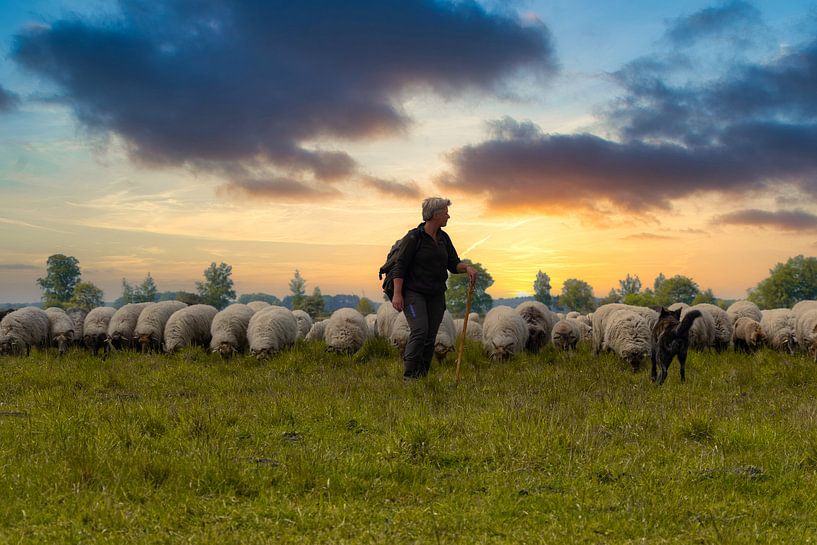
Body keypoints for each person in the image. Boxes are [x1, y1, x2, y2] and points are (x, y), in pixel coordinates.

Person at [392, 197, 477, 380]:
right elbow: (400, 266)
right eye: (446, 212)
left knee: (430, 336)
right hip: (413, 294)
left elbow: (453, 263)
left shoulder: (443, 238)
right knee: (420, 331)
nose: (449, 216)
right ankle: (409, 377)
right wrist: (397, 294)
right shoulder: (414, 238)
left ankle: (422, 376)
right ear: (436, 214)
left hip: (436, 295)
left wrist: (467, 268)